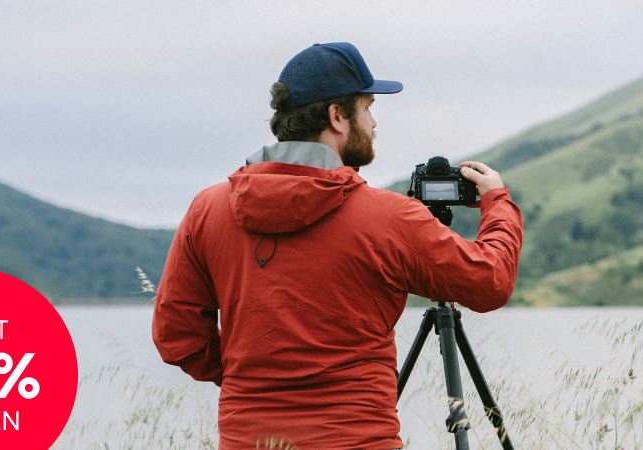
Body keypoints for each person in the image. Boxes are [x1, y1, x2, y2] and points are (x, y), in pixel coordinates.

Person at [152, 42, 523, 450]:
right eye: (368, 107)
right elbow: (490, 281)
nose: (375, 122)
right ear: (337, 116)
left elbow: (177, 337)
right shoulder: (388, 217)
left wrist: (250, 377)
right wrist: (496, 201)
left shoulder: (207, 210)